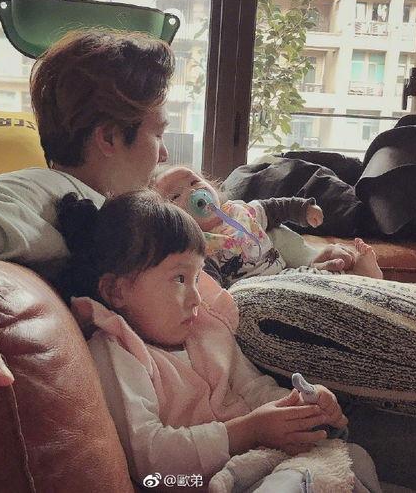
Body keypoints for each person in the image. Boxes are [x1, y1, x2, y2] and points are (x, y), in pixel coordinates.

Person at [0, 28, 356, 465]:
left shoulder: (130, 214)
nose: (164, 155)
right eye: (158, 134)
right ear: (110, 137)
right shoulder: (48, 190)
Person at [58, 189, 381, 491]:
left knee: (357, 458)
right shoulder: (117, 351)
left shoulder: (207, 329)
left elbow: (253, 388)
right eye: (179, 278)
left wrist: (298, 408)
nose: (196, 297)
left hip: (260, 461)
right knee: (296, 480)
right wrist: (248, 430)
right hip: (188, 482)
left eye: (197, 277)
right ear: (116, 290)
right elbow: (149, 458)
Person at [154, 166, 383, 288]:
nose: (193, 191)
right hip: (249, 292)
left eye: (194, 181)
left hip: (283, 273)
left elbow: (275, 208)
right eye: (175, 196)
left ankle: (360, 276)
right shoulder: (197, 244)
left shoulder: (241, 212)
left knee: (312, 278)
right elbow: (208, 284)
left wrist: (304, 209)